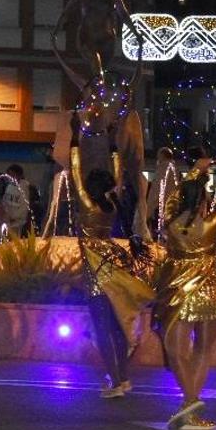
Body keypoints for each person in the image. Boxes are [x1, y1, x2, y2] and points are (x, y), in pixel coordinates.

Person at [153, 155, 216, 430]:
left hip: (178, 293)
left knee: (176, 351)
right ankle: (191, 403)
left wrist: (195, 170)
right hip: (209, 291)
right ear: (204, 200)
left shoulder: (171, 222)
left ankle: (189, 403)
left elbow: (169, 201)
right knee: (203, 350)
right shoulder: (211, 223)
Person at [71, 140, 154, 398]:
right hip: (113, 270)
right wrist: (115, 150)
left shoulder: (89, 207)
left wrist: (75, 141)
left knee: (102, 330)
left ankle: (115, 382)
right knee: (117, 328)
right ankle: (124, 377)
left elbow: (75, 173)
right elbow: (117, 178)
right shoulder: (111, 207)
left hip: (96, 276)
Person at [0, 164, 31, 240]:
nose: (10, 177)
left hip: (16, 223)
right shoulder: (9, 186)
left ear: (19, 175)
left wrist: (15, 218)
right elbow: (5, 201)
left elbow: (24, 206)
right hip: (6, 220)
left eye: (12, 175)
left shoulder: (24, 188)